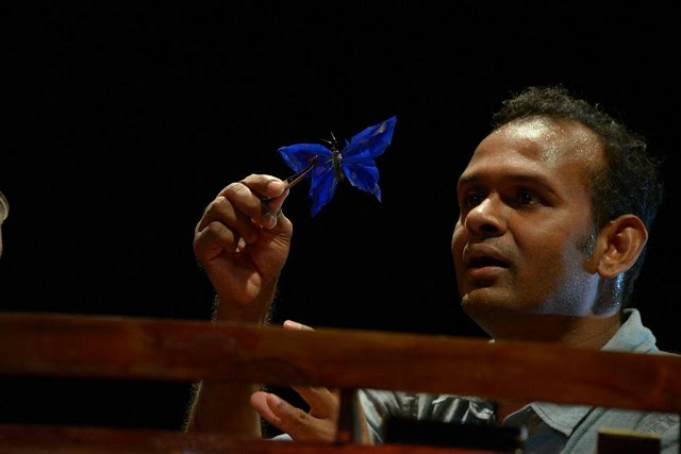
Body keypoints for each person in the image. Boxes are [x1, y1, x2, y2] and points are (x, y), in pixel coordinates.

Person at [184, 86, 679, 453]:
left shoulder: (669, 420)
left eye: (526, 197)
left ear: (616, 245)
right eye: (469, 198)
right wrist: (242, 311)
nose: (479, 218)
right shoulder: (415, 403)